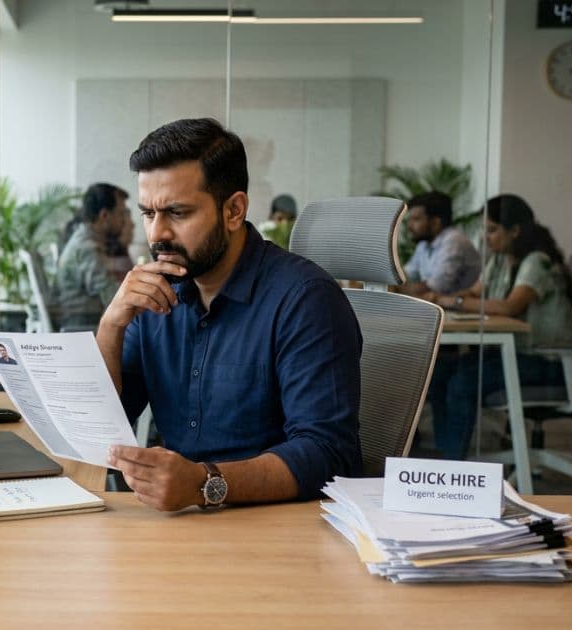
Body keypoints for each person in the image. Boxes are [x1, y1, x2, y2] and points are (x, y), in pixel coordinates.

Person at [98, 118, 363, 512]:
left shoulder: (306, 300)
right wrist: (111, 326)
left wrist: (204, 483)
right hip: (178, 526)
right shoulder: (156, 297)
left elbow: (328, 454)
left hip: (276, 529)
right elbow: (104, 426)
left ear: (234, 210)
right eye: (148, 213)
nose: (157, 235)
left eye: (177, 212)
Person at [427, 194, 572, 460]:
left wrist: (454, 301)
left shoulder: (536, 262)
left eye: (493, 230)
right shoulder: (499, 260)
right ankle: (444, 450)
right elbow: (474, 293)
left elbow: (510, 307)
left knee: (464, 382)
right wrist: (443, 299)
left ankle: (452, 464)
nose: (486, 237)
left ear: (515, 231)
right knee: (439, 372)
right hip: (513, 355)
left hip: (545, 361)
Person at [56, 183, 131, 331]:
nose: (124, 221)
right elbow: (111, 296)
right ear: (104, 216)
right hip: (84, 327)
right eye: (122, 213)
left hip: (86, 321)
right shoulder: (87, 248)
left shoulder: (84, 240)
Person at [401, 192, 481, 298]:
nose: (409, 226)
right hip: (446, 309)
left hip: (465, 310)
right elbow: (407, 275)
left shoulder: (453, 241)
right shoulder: (424, 244)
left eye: (416, 219)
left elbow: (436, 286)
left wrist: (399, 289)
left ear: (435, 223)